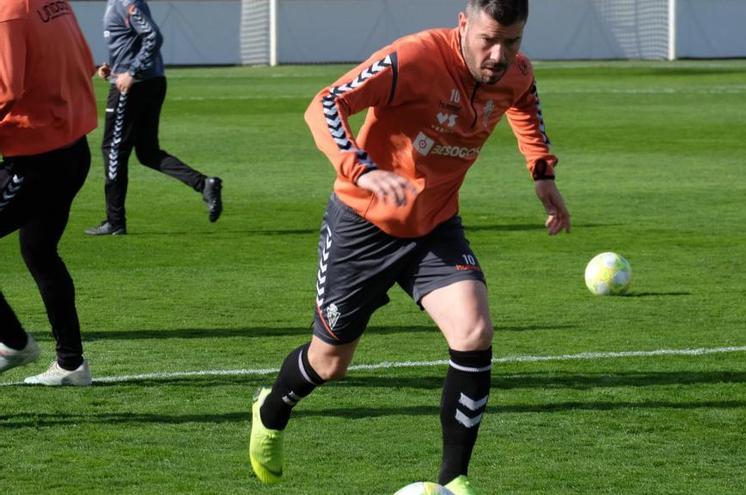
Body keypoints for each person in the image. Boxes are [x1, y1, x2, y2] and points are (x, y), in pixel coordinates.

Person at [249, 1, 569, 492]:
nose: (500, 54)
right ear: (464, 24)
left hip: (434, 226)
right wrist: (362, 167)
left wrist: (541, 170)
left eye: (513, 41)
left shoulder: (515, 71)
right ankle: (270, 411)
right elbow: (326, 102)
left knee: (474, 330)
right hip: (362, 225)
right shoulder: (414, 58)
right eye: (489, 39)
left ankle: (455, 479)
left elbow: (524, 100)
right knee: (329, 364)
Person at [0, 0, 98, 385]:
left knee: (40, 251)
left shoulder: (8, 10)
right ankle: (72, 365)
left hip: (37, 158)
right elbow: (87, 61)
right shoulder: (53, 2)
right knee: (39, 250)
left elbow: (6, 88)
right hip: (72, 148)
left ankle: (13, 342)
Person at [85, 0, 223, 236]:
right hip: (147, 82)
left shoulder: (126, 3)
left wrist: (132, 71)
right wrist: (112, 67)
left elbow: (153, 36)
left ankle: (115, 222)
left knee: (114, 151)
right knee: (148, 152)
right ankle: (204, 184)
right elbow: (132, 41)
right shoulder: (121, 4)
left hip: (134, 87)